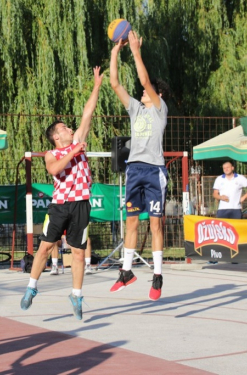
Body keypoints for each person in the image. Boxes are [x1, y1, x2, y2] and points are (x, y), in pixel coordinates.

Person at [20, 66, 103, 320]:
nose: (70, 129)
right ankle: (31, 289)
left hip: (81, 204)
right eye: (65, 128)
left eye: (69, 127)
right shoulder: (51, 154)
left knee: (78, 252)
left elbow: (88, 113)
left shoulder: (77, 139)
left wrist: (97, 85)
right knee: (45, 247)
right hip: (59, 206)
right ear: (57, 136)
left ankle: (76, 295)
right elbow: (56, 169)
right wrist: (74, 151)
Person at [109, 31, 171, 301]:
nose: (142, 93)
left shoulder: (160, 108)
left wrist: (135, 50)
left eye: (148, 91)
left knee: (155, 225)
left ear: (157, 94)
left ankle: (157, 275)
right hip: (134, 169)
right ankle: (126, 271)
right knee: (131, 222)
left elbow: (144, 80)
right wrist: (116, 51)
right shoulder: (136, 109)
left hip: (154, 170)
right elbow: (114, 84)